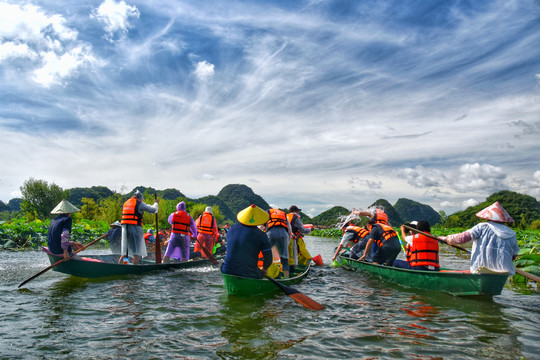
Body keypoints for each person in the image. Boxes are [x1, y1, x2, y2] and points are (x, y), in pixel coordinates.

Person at [438, 201, 519, 274]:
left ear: (488, 217)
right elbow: (514, 256)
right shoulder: (512, 233)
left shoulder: (483, 227)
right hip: (503, 272)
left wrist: (445, 239)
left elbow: (461, 238)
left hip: (482, 269)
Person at [221, 204, 273, 279]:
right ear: (258, 220)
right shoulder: (262, 235)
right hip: (249, 273)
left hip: (227, 271)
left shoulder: (231, 230)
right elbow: (268, 258)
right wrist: (264, 268)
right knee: (262, 273)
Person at [119, 190, 159, 265]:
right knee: (136, 253)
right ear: (139, 198)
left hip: (125, 228)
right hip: (135, 227)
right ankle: (134, 271)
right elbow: (153, 210)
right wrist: (156, 203)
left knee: (125, 252)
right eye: (141, 199)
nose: (141, 201)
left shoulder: (126, 203)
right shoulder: (139, 203)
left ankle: (123, 266)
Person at [265, 207, 293, 277]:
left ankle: (267, 275)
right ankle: (286, 278)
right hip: (284, 235)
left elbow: (260, 227)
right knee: (284, 259)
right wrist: (288, 240)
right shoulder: (283, 214)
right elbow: (289, 228)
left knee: (267, 256)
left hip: (271, 234)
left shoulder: (267, 212)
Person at [286, 205, 313, 271]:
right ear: (295, 211)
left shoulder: (285, 216)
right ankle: (293, 270)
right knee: (293, 256)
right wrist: (310, 230)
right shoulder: (295, 218)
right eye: (298, 211)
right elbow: (303, 230)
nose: (298, 213)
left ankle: (285, 268)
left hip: (283, 237)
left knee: (286, 255)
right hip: (292, 239)